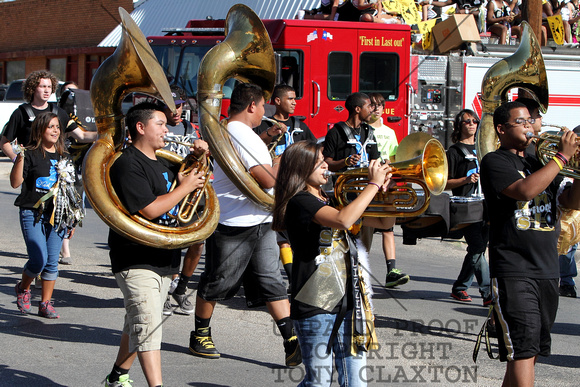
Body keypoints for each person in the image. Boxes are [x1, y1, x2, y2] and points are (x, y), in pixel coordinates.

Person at [188, 83, 301, 367]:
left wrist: (273, 160)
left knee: (271, 280)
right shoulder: (239, 133)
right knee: (218, 280)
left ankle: (291, 341)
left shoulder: (241, 132)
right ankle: (200, 334)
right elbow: (267, 180)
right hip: (235, 221)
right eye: (263, 106)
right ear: (252, 106)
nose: (265, 112)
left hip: (259, 217)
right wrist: (288, 160)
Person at [272, 140, 391, 386]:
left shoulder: (331, 198)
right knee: (319, 382)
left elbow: (383, 224)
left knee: (356, 383)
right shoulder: (300, 202)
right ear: (302, 169)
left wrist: (384, 192)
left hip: (350, 302)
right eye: (320, 162)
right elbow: (343, 220)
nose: (327, 165)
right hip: (315, 303)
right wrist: (373, 184)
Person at [104, 102, 206, 387]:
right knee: (148, 326)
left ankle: (117, 375)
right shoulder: (127, 163)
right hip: (135, 257)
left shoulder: (162, 161)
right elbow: (149, 209)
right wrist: (184, 187)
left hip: (163, 256)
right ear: (140, 127)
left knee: (138, 322)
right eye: (160, 124)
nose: (167, 128)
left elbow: (182, 190)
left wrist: (196, 158)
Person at [480, 101, 580, 386]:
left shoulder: (540, 161)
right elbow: (524, 191)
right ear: (501, 129)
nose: (528, 125)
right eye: (520, 121)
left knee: (526, 354)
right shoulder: (495, 161)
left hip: (548, 270)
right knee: (522, 351)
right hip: (514, 268)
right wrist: (561, 158)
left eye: (530, 120)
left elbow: (571, 201)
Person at [323, 92, 409, 288]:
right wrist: (343, 162)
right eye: (369, 106)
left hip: (366, 192)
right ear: (357, 109)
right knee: (343, 235)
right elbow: (326, 161)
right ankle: (339, 275)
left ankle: (357, 273)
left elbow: (376, 160)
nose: (373, 109)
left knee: (374, 229)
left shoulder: (369, 133)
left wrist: (385, 176)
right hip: (344, 194)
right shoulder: (336, 132)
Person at [10, 112, 83, 319]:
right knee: (38, 259)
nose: (55, 130)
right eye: (50, 127)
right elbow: (15, 183)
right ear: (40, 130)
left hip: (58, 217)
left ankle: (45, 303)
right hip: (32, 212)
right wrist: (19, 158)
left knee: (52, 261)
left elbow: (71, 191)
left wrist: (72, 220)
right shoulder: (30, 153)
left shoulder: (65, 156)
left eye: (57, 127)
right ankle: (23, 288)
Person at [254, 84, 317, 284]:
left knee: (297, 234)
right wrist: (270, 133)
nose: (294, 102)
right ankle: (292, 278)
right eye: (290, 98)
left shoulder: (300, 125)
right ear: (278, 101)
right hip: (276, 186)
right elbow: (252, 148)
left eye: (295, 98)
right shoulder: (264, 125)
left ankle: (298, 276)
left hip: (298, 186)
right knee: (282, 235)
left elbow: (314, 149)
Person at [160, 85, 209, 316]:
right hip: (166, 188)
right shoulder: (156, 128)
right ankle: (163, 292)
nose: (176, 111)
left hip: (190, 193)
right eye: (171, 107)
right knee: (170, 244)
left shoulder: (190, 128)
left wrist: (202, 153)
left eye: (179, 105)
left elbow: (200, 161)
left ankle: (181, 288)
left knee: (197, 242)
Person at [445, 109, 491, 305]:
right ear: (459, 126)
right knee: (478, 247)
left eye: (474, 121)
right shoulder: (454, 152)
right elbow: (444, 183)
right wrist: (465, 179)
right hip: (466, 207)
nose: (472, 124)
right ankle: (488, 292)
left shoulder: (485, 148)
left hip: (486, 205)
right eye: (467, 122)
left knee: (477, 249)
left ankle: (460, 287)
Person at [1, 70, 96, 163]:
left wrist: (106, 133)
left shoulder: (59, 112)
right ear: (32, 88)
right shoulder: (21, 113)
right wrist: (18, 161)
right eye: (42, 86)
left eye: (49, 87)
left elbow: (82, 136)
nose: (47, 90)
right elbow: (4, 143)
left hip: (53, 167)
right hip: (31, 168)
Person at [57, 81, 80, 266]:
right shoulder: (57, 115)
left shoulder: (84, 115)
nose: (71, 96)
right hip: (60, 168)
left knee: (73, 211)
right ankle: (64, 249)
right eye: (68, 92)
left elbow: (85, 136)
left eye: (75, 92)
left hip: (77, 169)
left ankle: (61, 244)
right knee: (61, 209)